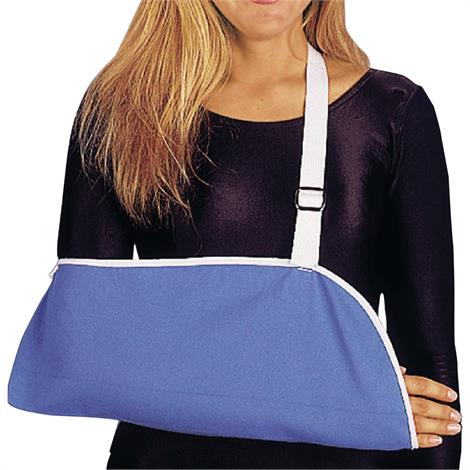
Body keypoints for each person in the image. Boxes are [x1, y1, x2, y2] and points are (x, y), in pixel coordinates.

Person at [55, 0, 462, 468]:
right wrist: (320, 396)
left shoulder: (390, 112)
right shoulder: (123, 108)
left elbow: (433, 383)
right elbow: (85, 349)